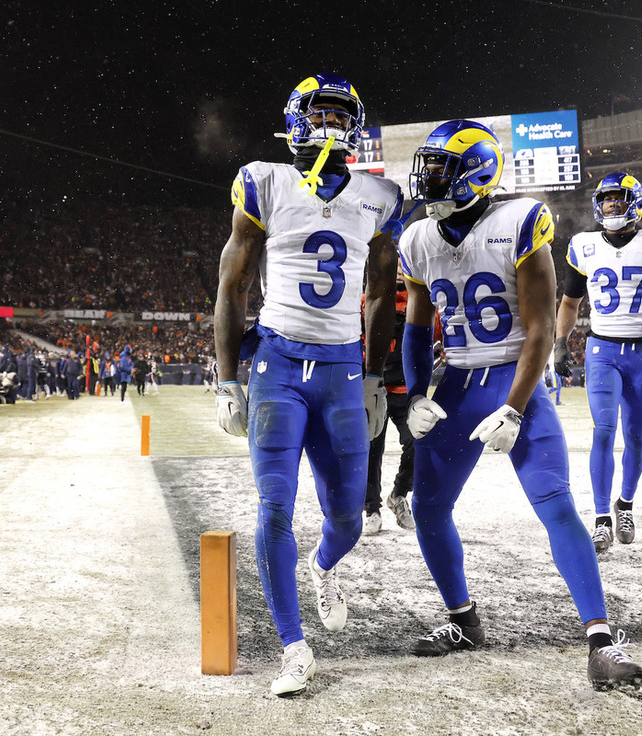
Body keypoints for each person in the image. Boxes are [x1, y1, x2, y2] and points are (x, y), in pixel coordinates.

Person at [399, 120, 642, 692]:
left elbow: (539, 331)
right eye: (429, 167)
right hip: (457, 384)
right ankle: (463, 622)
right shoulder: (418, 239)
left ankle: (601, 641)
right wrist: (414, 394)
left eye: (440, 168)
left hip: (516, 378)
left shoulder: (520, 220)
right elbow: (415, 331)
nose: (429, 178)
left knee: (555, 504)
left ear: (476, 172)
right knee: (429, 508)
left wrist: (513, 408)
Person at [212, 73, 402, 697]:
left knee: (347, 518)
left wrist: (376, 375)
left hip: (344, 366)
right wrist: (226, 379)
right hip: (278, 364)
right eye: (317, 113)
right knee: (273, 504)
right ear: (294, 119)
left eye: (338, 114)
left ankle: (325, 567)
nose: (327, 125)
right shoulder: (263, 181)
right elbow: (233, 286)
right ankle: (295, 647)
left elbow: (379, 296)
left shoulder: (379, 195)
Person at [554, 172, 642, 553]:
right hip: (602, 351)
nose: (612, 205)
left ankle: (624, 505)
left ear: (635, 202)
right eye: (607, 199)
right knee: (603, 431)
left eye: (619, 198)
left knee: (637, 436)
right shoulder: (583, 245)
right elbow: (569, 303)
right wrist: (560, 344)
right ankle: (600, 517)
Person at [363, 265, 417, 535]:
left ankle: (398, 495)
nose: (397, 269)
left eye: (401, 263)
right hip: (376, 387)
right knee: (372, 452)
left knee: (418, 442)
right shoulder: (366, 300)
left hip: (406, 389)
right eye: (392, 263)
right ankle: (371, 508)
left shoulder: (420, 300)